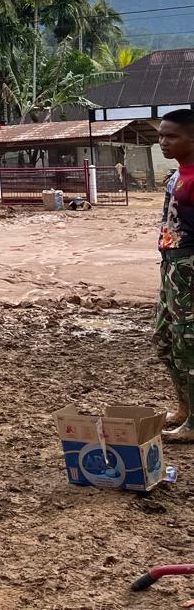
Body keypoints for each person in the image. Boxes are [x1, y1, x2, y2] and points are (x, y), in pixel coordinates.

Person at [155, 110, 194, 441]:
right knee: (166, 340)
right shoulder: (174, 176)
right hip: (171, 265)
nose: (163, 142)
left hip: (190, 268)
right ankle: (185, 408)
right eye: (161, 136)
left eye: (171, 136)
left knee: (188, 343)